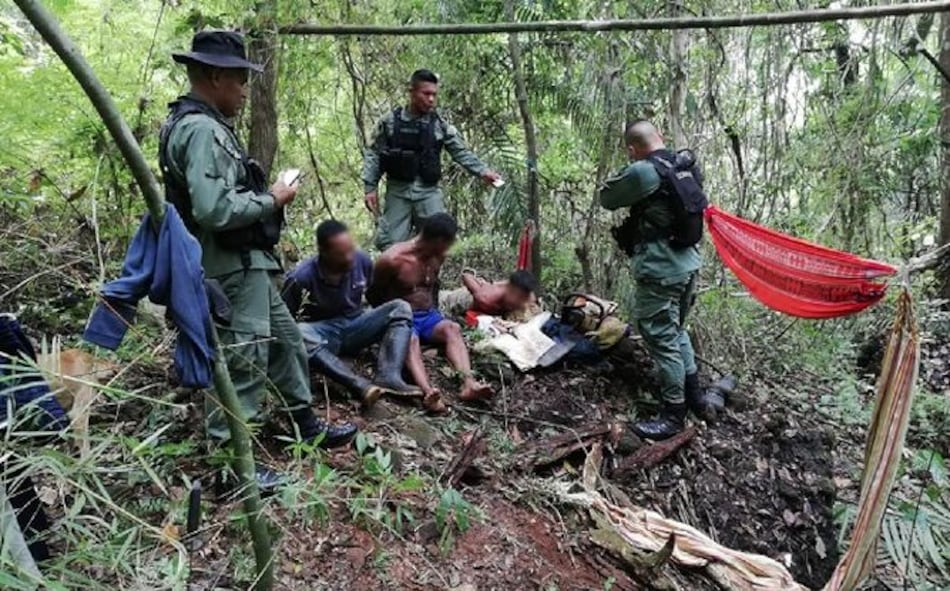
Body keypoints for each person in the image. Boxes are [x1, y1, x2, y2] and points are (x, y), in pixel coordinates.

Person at [159, 32, 357, 473]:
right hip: (228, 268)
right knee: (243, 357)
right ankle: (234, 466)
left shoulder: (198, 124)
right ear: (216, 76)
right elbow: (213, 208)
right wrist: (273, 198)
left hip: (247, 265)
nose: (245, 92)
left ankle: (303, 425)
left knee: (287, 342)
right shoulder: (201, 129)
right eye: (240, 81)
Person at [599, 120, 721, 440]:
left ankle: (673, 415)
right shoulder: (683, 166)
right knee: (676, 330)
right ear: (661, 137)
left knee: (661, 337)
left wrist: (630, 167)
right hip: (688, 263)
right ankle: (696, 399)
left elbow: (607, 198)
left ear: (632, 150)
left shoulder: (644, 172)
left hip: (661, 268)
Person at [283, 220, 446, 412]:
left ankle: (389, 376)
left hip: (356, 325)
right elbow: (284, 322)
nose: (349, 258)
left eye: (350, 250)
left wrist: (389, 328)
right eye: (341, 254)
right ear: (323, 252)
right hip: (324, 336)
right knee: (300, 331)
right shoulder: (301, 277)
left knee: (400, 307)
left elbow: (373, 294)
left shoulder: (361, 261)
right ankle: (359, 385)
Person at [362, 69, 502, 251]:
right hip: (398, 190)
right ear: (412, 92)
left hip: (428, 191)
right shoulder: (389, 122)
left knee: (437, 242)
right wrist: (370, 187)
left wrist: (483, 171)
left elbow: (461, 152)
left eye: (434, 95)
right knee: (390, 245)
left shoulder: (439, 125)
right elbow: (374, 153)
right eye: (426, 93)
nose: (431, 99)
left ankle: (427, 270)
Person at [368, 213, 491, 406]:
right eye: (447, 244)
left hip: (428, 316)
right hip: (402, 318)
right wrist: (388, 325)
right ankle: (428, 392)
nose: (448, 249)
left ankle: (468, 384)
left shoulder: (437, 256)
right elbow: (373, 293)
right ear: (437, 241)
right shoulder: (392, 259)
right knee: (411, 339)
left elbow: (432, 287)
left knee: (452, 328)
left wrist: (435, 313)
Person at [459, 269, 538, 317]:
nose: (522, 302)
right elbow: (466, 276)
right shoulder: (486, 297)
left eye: (525, 297)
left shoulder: (530, 298)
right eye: (519, 297)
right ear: (510, 289)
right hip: (465, 299)